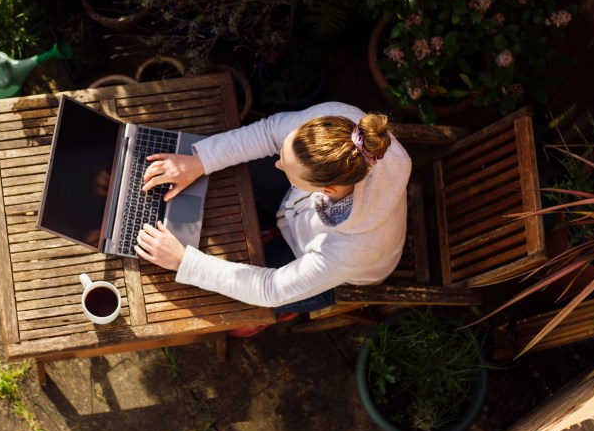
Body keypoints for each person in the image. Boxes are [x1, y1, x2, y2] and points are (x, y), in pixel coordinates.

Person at [134, 102, 412, 336]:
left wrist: (184, 262)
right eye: (283, 155)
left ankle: (288, 308)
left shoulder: (352, 249)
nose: (278, 164)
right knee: (238, 170)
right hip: (301, 212)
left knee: (235, 316)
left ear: (327, 191)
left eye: (288, 170)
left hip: (340, 273)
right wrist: (199, 162)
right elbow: (268, 133)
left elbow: (272, 288)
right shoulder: (339, 126)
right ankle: (274, 226)